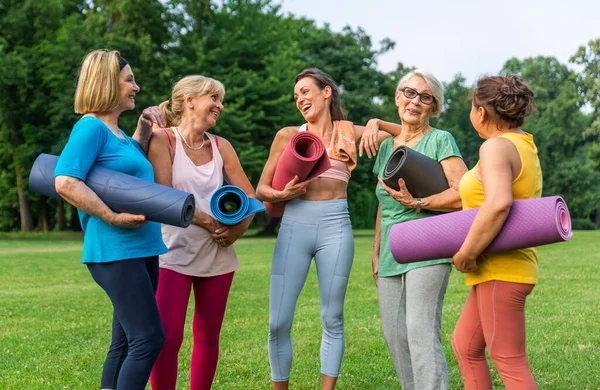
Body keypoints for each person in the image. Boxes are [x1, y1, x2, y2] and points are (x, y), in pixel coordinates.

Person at [256, 68, 399, 390]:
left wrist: (376, 123)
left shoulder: (349, 131)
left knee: (331, 317)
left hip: (335, 226)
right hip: (294, 224)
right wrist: (279, 195)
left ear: (326, 92)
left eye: (305, 91)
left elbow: (403, 134)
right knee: (278, 321)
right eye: (296, 96)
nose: (300, 100)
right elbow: (261, 189)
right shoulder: (288, 135)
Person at [54, 49, 168, 390]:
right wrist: (111, 216)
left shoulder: (116, 134)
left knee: (125, 343)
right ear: (107, 83)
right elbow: (65, 180)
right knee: (148, 339)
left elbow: (125, 167)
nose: (136, 86)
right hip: (115, 249)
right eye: (129, 80)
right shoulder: (90, 128)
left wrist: (144, 131)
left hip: (142, 247)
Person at [147, 75, 256, 390]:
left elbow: (251, 199)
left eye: (221, 100)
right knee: (167, 337)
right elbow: (165, 197)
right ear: (189, 101)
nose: (220, 106)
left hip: (217, 254)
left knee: (208, 336)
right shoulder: (163, 140)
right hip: (172, 252)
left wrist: (237, 231)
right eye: (214, 98)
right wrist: (209, 221)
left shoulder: (222, 146)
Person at [369, 69, 467, 390]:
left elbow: (464, 193)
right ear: (398, 97)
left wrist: (420, 202)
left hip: (429, 243)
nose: (415, 101)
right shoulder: (386, 147)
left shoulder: (441, 140)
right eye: (410, 93)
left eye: (426, 98)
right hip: (389, 250)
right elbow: (383, 204)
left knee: (419, 329)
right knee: (394, 334)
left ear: (433, 107)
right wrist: (375, 252)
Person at [451, 75, 541, 389]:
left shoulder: (495, 147)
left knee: (509, 359)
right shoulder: (522, 143)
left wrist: (467, 252)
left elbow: (498, 204)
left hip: (501, 269)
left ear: (481, 112)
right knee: (466, 346)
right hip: (496, 271)